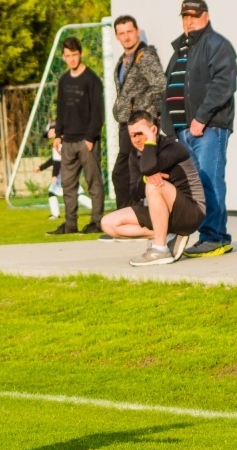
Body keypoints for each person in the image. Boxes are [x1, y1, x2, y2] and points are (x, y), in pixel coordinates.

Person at [161, 0, 237, 258]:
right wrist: (169, 128)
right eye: (185, 16)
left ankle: (216, 237)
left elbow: (224, 85)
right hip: (183, 132)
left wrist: (201, 118)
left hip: (209, 129)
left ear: (206, 16)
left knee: (209, 180)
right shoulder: (181, 48)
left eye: (194, 15)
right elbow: (169, 89)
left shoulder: (217, 45)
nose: (189, 20)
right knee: (193, 187)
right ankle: (205, 235)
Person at [101, 110, 205, 266]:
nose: (136, 140)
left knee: (153, 185)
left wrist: (150, 141)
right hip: (161, 213)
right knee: (108, 223)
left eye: (140, 133)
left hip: (191, 212)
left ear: (153, 130)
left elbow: (148, 167)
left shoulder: (172, 147)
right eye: (132, 135)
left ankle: (160, 249)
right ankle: (168, 235)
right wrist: (145, 177)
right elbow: (135, 192)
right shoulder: (134, 154)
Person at [46, 37, 105, 236]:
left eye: (74, 55)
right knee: (67, 185)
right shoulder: (63, 80)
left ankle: (96, 222)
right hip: (68, 141)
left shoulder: (92, 80)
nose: (71, 59)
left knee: (93, 183)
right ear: (63, 57)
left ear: (81, 54)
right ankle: (70, 224)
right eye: (67, 56)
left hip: (87, 141)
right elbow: (61, 110)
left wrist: (91, 137)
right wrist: (58, 135)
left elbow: (98, 111)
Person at [108, 16, 166, 212]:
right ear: (116, 36)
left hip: (138, 124)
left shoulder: (144, 57)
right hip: (125, 124)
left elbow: (160, 85)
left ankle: (130, 217)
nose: (126, 37)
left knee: (122, 173)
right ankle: (131, 217)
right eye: (122, 33)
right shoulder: (122, 61)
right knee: (128, 172)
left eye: (129, 32)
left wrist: (139, 110)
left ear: (137, 31)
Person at [35, 121, 92, 220]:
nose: (48, 134)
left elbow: (57, 161)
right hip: (70, 170)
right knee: (74, 192)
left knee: (53, 192)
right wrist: (41, 168)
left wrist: (54, 175)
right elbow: (54, 159)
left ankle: (55, 214)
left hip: (63, 172)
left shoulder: (57, 143)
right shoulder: (66, 140)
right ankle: (95, 207)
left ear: (55, 130)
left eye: (49, 131)